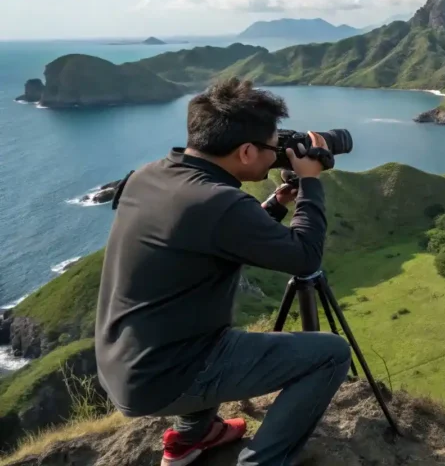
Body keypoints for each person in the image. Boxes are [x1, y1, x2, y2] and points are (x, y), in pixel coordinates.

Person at [94, 78, 352, 466]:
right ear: (246, 151)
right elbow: (305, 258)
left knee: (214, 336)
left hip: (124, 363)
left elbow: (212, 237)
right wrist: (312, 181)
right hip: (167, 375)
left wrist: (277, 206)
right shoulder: (221, 203)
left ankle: (190, 439)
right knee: (330, 354)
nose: (277, 153)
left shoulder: (150, 175)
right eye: (273, 145)